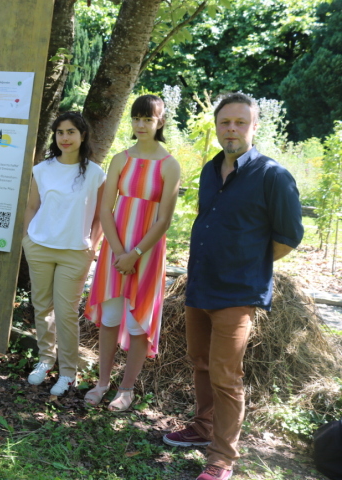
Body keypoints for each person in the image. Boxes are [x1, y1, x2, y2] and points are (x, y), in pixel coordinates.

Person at [162, 93, 304, 480]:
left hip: (237, 292)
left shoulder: (273, 175)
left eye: (241, 123)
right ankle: (202, 427)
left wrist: (247, 262)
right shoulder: (210, 170)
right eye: (226, 122)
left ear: (254, 127)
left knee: (226, 374)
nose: (232, 129)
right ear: (217, 126)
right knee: (200, 361)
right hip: (200, 283)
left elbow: (289, 237)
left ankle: (221, 459)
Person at [84, 94, 181, 411]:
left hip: (147, 253)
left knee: (138, 322)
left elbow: (164, 219)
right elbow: (106, 209)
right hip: (115, 251)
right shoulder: (120, 159)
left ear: (160, 122)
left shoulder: (170, 166)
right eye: (136, 118)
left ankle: (126, 389)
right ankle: (101, 383)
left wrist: (135, 253)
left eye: (148, 119)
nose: (141, 125)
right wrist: (118, 251)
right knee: (110, 318)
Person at [23, 111, 106, 396]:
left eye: (71, 131)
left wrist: (92, 245)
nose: (65, 137)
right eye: (60, 132)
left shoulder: (95, 173)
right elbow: (32, 206)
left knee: (66, 313)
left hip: (75, 251)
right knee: (42, 306)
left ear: (83, 136)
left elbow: (100, 216)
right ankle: (45, 359)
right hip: (40, 246)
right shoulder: (42, 169)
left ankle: (68, 372)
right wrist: (26, 238)